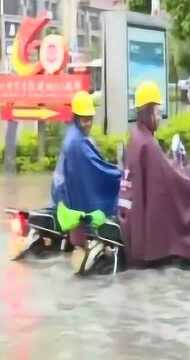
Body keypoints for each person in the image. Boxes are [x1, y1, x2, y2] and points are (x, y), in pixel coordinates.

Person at [118, 81, 190, 269]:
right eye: (158, 113)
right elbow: (169, 178)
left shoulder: (137, 136)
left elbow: (161, 169)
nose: (159, 118)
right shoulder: (147, 144)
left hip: (130, 219)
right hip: (141, 225)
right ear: (148, 112)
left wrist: (174, 165)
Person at [51, 91, 122, 256]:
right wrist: (121, 175)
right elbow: (98, 170)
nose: (88, 123)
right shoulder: (78, 142)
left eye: (90, 118)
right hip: (71, 202)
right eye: (84, 119)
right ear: (76, 117)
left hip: (61, 197)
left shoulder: (73, 136)